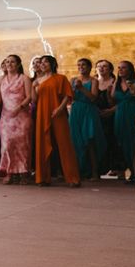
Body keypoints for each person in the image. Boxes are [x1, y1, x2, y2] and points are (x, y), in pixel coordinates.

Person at [33, 55, 81, 187]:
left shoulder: (61, 78)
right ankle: (42, 177)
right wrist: (34, 86)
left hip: (57, 112)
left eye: (46, 62)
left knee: (64, 143)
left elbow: (67, 95)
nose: (42, 64)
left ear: (52, 64)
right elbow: (34, 99)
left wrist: (60, 109)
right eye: (41, 62)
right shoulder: (39, 80)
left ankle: (73, 178)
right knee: (42, 143)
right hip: (42, 113)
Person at [0, 54, 33, 184]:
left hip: (22, 116)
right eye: (7, 62)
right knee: (7, 145)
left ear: (18, 64)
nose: (9, 64)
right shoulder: (1, 80)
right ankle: (10, 172)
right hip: (6, 117)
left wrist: (20, 106)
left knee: (22, 145)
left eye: (12, 62)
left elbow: (29, 97)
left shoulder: (24, 78)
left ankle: (23, 173)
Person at [113, 60, 135, 184]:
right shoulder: (116, 84)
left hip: (134, 113)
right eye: (119, 68)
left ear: (130, 70)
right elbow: (113, 99)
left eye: (123, 68)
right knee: (122, 142)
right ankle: (131, 171)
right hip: (120, 114)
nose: (120, 70)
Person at [69, 58, 105, 180]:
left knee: (90, 141)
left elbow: (94, 98)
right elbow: (70, 99)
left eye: (84, 65)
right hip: (76, 111)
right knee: (76, 141)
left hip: (88, 111)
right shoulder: (73, 80)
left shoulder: (93, 81)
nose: (81, 67)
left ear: (89, 68)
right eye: (79, 65)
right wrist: (73, 91)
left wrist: (81, 89)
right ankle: (80, 170)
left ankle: (95, 172)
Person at [95, 60, 122, 178]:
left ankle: (117, 167)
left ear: (110, 69)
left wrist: (111, 111)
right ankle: (101, 167)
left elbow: (121, 101)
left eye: (104, 66)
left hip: (113, 114)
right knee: (99, 141)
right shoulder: (93, 82)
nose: (101, 68)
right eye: (99, 66)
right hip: (97, 115)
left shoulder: (116, 82)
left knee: (114, 139)